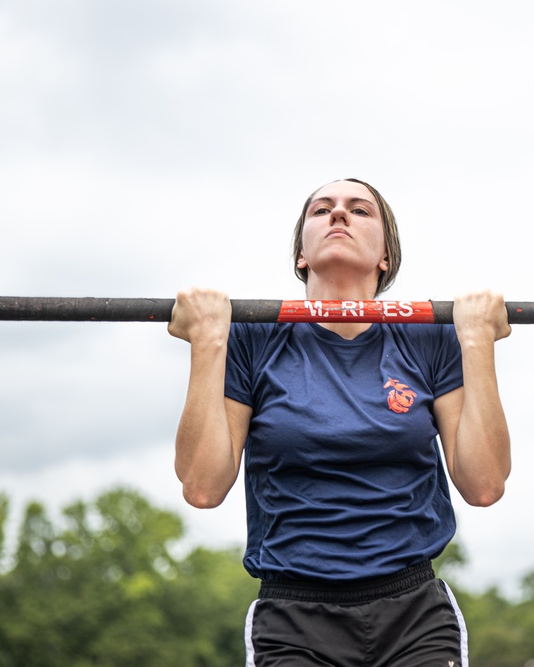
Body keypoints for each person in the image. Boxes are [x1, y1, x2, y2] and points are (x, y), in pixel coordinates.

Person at [168, 178, 512, 666]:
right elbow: (202, 488)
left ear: (386, 256)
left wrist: (476, 343)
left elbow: (485, 484)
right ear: (301, 256)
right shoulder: (253, 339)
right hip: (293, 616)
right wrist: (207, 342)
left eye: (359, 210)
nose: (339, 215)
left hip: (412, 613)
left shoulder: (429, 339)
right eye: (322, 209)